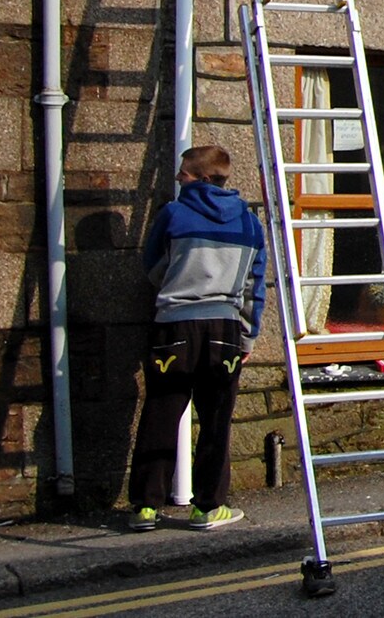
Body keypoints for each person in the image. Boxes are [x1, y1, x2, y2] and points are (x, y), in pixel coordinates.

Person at [125, 144, 267, 531]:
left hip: (174, 325)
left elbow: (152, 266)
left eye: (183, 173)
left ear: (202, 179)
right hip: (224, 329)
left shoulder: (173, 214)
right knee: (217, 419)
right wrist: (249, 338)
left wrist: (178, 287)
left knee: (161, 413)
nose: (178, 179)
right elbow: (256, 286)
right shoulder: (249, 223)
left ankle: (145, 507)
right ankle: (207, 507)